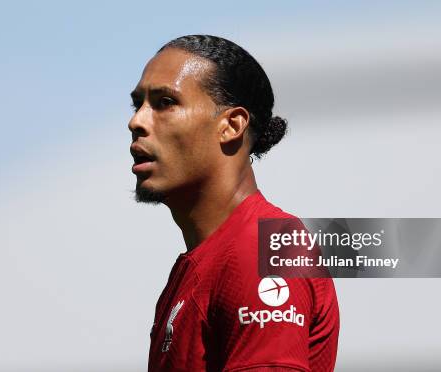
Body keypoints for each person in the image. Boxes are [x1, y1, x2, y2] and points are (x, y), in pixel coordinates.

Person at [129, 34, 339, 372]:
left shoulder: (263, 248)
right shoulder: (200, 264)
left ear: (231, 125)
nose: (137, 121)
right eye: (137, 104)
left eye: (165, 102)